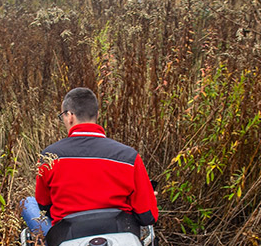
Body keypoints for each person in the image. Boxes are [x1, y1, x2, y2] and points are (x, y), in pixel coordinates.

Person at [21, 88, 158, 237]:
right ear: (97, 115)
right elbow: (147, 217)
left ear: (70, 116)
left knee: (28, 203)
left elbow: (44, 206)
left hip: (66, 241)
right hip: (119, 239)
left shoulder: (49, 157)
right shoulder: (129, 158)